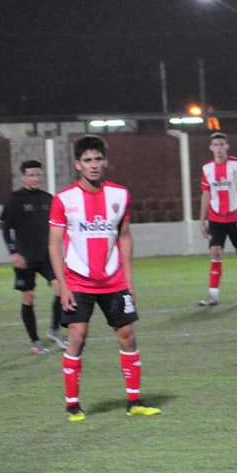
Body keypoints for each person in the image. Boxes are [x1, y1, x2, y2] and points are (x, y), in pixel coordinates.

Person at [48, 136, 161, 422]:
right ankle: (72, 405)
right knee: (77, 335)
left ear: (105, 161)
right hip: (78, 280)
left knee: (127, 335)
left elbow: (125, 236)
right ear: (77, 165)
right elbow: (54, 243)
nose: (94, 165)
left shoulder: (120, 195)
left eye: (98, 159)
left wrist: (129, 282)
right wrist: (62, 285)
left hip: (114, 281)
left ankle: (134, 401)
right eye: (87, 160)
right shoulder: (64, 199)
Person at [0, 159, 67, 354]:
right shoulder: (15, 199)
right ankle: (35, 341)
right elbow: (5, 229)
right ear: (23, 177)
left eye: (38, 175)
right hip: (25, 258)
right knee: (28, 298)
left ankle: (54, 331)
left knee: (61, 289)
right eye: (31, 175)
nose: (35, 178)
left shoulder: (48, 199)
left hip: (47, 257)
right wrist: (14, 252)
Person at [198, 132, 237, 306]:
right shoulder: (206, 168)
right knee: (215, 252)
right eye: (215, 145)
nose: (218, 148)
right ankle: (213, 295)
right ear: (211, 148)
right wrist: (202, 220)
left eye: (221, 144)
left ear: (227, 146)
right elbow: (205, 194)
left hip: (235, 217)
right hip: (216, 218)